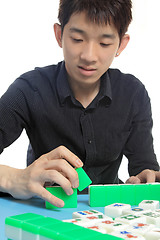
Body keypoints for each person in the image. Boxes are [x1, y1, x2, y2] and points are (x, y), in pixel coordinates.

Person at [0, 0, 159, 208]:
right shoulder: (29, 89)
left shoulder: (133, 93)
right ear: (59, 35)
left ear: (121, 44)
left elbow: (144, 168)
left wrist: (147, 179)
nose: (88, 56)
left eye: (104, 43)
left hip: (109, 217)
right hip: (46, 211)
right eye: (77, 39)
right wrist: (13, 178)